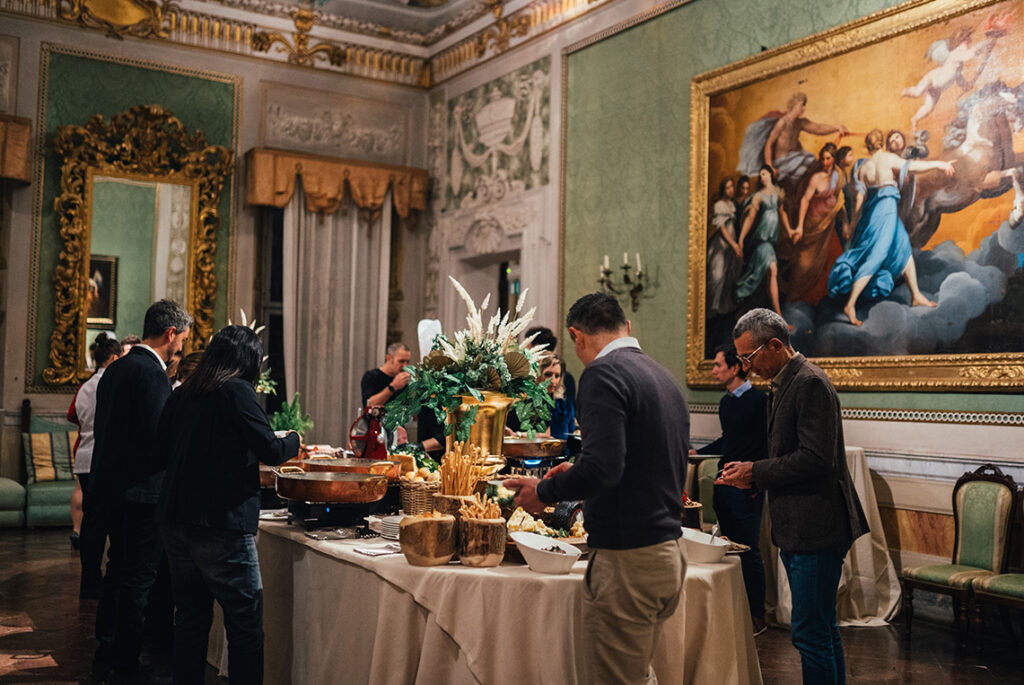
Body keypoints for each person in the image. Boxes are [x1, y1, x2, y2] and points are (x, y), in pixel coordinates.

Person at [505, 293, 689, 684]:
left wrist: (543, 491)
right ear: (626, 326)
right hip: (668, 555)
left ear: (577, 335)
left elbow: (605, 470)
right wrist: (582, 468)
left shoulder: (603, 374)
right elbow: (644, 461)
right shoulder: (662, 376)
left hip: (628, 563)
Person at [717, 308, 869, 685]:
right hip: (801, 522)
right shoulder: (786, 383)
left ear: (774, 344)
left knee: (810, 633)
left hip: (816, 524)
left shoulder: (809, 383)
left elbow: (816, 459)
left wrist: (757, 471)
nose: (746, 367)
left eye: (749, 357)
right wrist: (751, 476)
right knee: (821, 629)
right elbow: (788, 452)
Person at [156, 325, 301, 684]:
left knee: (190, 617)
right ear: (248, 360)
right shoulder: (237, 391)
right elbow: (270, 449)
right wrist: (293, 440)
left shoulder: (183, 392)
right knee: (245, 623)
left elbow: (160, 451)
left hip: (175, 519)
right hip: (221, 522)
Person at [89, 299, 192, 682]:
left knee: (116, 572)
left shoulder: (116, 370)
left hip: (111, 487)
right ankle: (125, 661)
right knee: (137, 580)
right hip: (142, 494)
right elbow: (158, 437)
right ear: (169, 334)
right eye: (181, 338)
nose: (181, 346)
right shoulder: (151, 374)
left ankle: (107, 649)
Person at [826, 129, 954, 325]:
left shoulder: (863, 167)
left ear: (868, 146)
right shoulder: (887, 159)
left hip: (875, 211)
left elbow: (859, 201)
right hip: (886, 209)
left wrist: (852, 224)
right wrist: (940, 164)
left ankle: (916, 295)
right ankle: (850, 304)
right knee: (876, 255)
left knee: (903, 248)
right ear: (881, 143)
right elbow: (914, 167)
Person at [693, 343, 769, 635]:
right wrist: (696, 452)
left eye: (717, 365)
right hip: (725, 483)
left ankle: (757, 617)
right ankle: (734, 613)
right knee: (726, 550)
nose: (713, 371)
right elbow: (729, 442)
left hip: (746, 487)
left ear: (736, 367)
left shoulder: (758, 401)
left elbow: (764, 444)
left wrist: (755, 483)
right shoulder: (727, 402)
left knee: (748, 551)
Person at [68, 333, 122, 598]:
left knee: (91, 522)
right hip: (103, 458)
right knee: (106, 523)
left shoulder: (85, 386)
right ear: (113, 358)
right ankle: (101, 579)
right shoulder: (112, 384)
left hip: (84, 457)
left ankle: (88, 577)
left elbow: (76, 417)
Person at [782, 143, 846, 305]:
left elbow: (840, 201)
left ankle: (820, 300)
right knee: (804, 264)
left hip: (828, 225)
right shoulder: (816, 178)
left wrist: (846, 223)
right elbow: (805, 200)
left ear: (834, 159)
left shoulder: (838, 177)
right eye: (822, 158)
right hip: (813, 225)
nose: (824, 162)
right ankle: (795, 299)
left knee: (834, 256)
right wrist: (800, 227)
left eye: (828, 158)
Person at [739, 92, 848, 184]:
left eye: (805, 105)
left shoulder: (800, 123)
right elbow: (769, 144)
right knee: (804, 172)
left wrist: (836, 128)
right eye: (802, 105)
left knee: (815, 164)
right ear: (795, 105)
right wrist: (769, 167)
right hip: (782, 163)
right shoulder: (782, 123)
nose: (804, 108)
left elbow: (818, 128)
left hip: (796, 158)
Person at [735, 165, 797, 324]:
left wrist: (789, 230)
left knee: (765, 274)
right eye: (760, 174)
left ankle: (774, 314)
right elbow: (749, 219)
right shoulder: (758, 196)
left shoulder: (777, 192)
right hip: (762, 241)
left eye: (763, 173)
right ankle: (779, 316)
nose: (761, 177)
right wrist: (741, 239)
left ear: (770, 174)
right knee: (771, 271)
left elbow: (782, 212)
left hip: (770, 241)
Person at [707, 176, 743, 317]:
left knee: (729, 276)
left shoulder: (732, 204)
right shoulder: (719, 205)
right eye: (728, 187)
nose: (731, 190)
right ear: (723, 189)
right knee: (717, 275)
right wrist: (734, 245)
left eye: (732, 187)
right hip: (721, 245)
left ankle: (722, 306)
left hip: (730, 245)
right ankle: (711, 308)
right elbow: (722, 228)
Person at [534, 355, 575, 440]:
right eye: (548, 375)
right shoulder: (525, 402)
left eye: (557, 376)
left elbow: (571, 434)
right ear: (537, 373)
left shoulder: (563, 404)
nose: (553, 381)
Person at [361, 342, 412, 408]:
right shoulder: (371, 376)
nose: (405, 366)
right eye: (401, 361)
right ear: (389, 358)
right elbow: (369, 405)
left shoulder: (405, 380)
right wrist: (393, 387)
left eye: (407, 362)